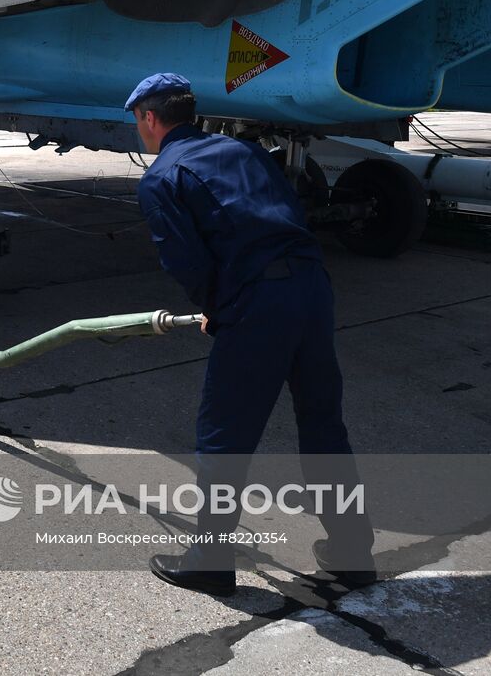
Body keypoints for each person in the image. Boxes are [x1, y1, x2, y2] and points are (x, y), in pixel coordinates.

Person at [126, 73, 375, 597]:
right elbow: (288, 209)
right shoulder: (245, 151)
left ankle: (211, 561)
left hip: (260, 304)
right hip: (312, 287)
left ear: (149, 118)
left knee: (225, 435)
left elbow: (187, 264)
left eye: (138, 121)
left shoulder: (161, 178)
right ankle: (353, 554)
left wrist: (219, 307)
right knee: (324, 425)